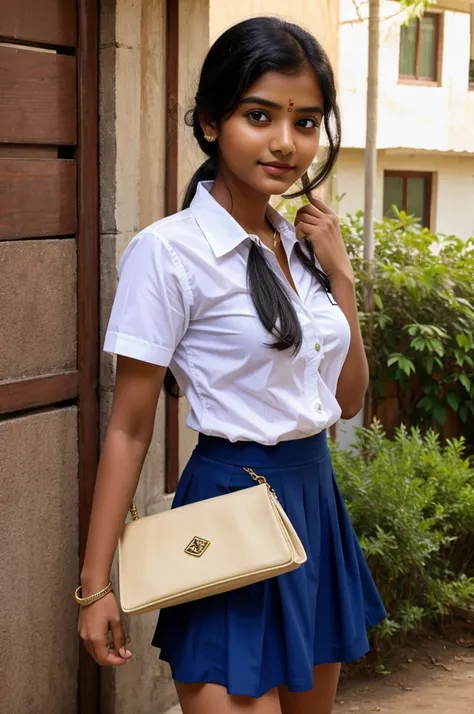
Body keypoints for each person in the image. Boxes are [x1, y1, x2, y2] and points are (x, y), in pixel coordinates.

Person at [77, 16, 386, 714]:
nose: (286, 142)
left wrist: (341, 280)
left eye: (306, 122)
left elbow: (347, 401)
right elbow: (128, 427)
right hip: (227, 512)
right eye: (260, 115)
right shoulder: (170, 253)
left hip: (315, 505)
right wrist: (97, 583)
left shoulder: (302, 247)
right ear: (212, 122)